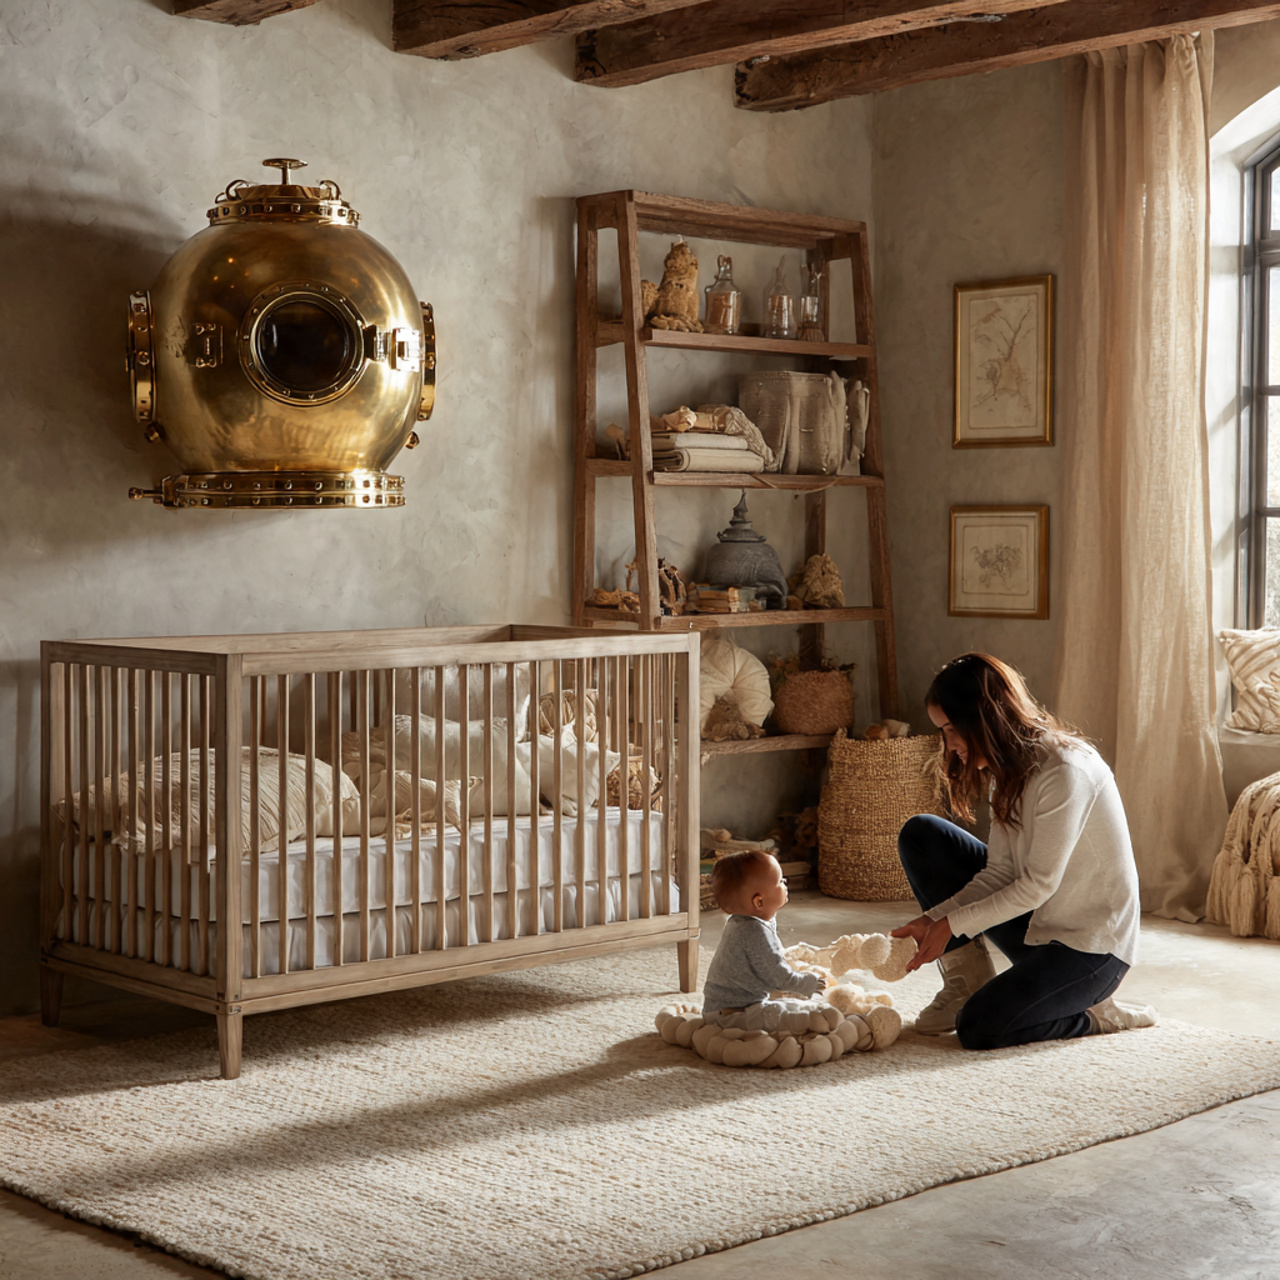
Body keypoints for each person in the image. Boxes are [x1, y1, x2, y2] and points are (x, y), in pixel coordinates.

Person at [890, 653, 1157, 1050]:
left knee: (979, 1028)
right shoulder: (1010, 770)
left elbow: (1036, 886)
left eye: (949, 729)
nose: (947, 745)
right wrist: (933, 921)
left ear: (981, 719)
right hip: (1038, 927)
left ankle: (1095, 1015)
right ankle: (967, 982)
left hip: (1091, 948)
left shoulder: (1066, 772)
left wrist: (951, 925)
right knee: (923, 834)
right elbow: (999, 873)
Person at [701, 850, 826, 1033]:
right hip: (731, 1015)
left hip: (726, 1007)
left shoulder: (742, 921)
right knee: (778, 1014)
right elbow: (777, 976)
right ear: (759, 902)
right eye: (780, 882)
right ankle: (808, 1022)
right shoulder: (753, 931)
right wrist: (808, 983)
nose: (785, 884)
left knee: (785, 1003)